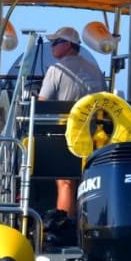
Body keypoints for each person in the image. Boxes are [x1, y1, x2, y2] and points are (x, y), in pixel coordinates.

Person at [38, 26, 107, 218]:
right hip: (96, 138)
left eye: (55, 42)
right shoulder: (95, 70)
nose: (52, 46)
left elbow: (41, 106)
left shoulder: (57, 70)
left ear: (68, 45)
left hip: (66, 136)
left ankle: (64, 227)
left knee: (65, 182)